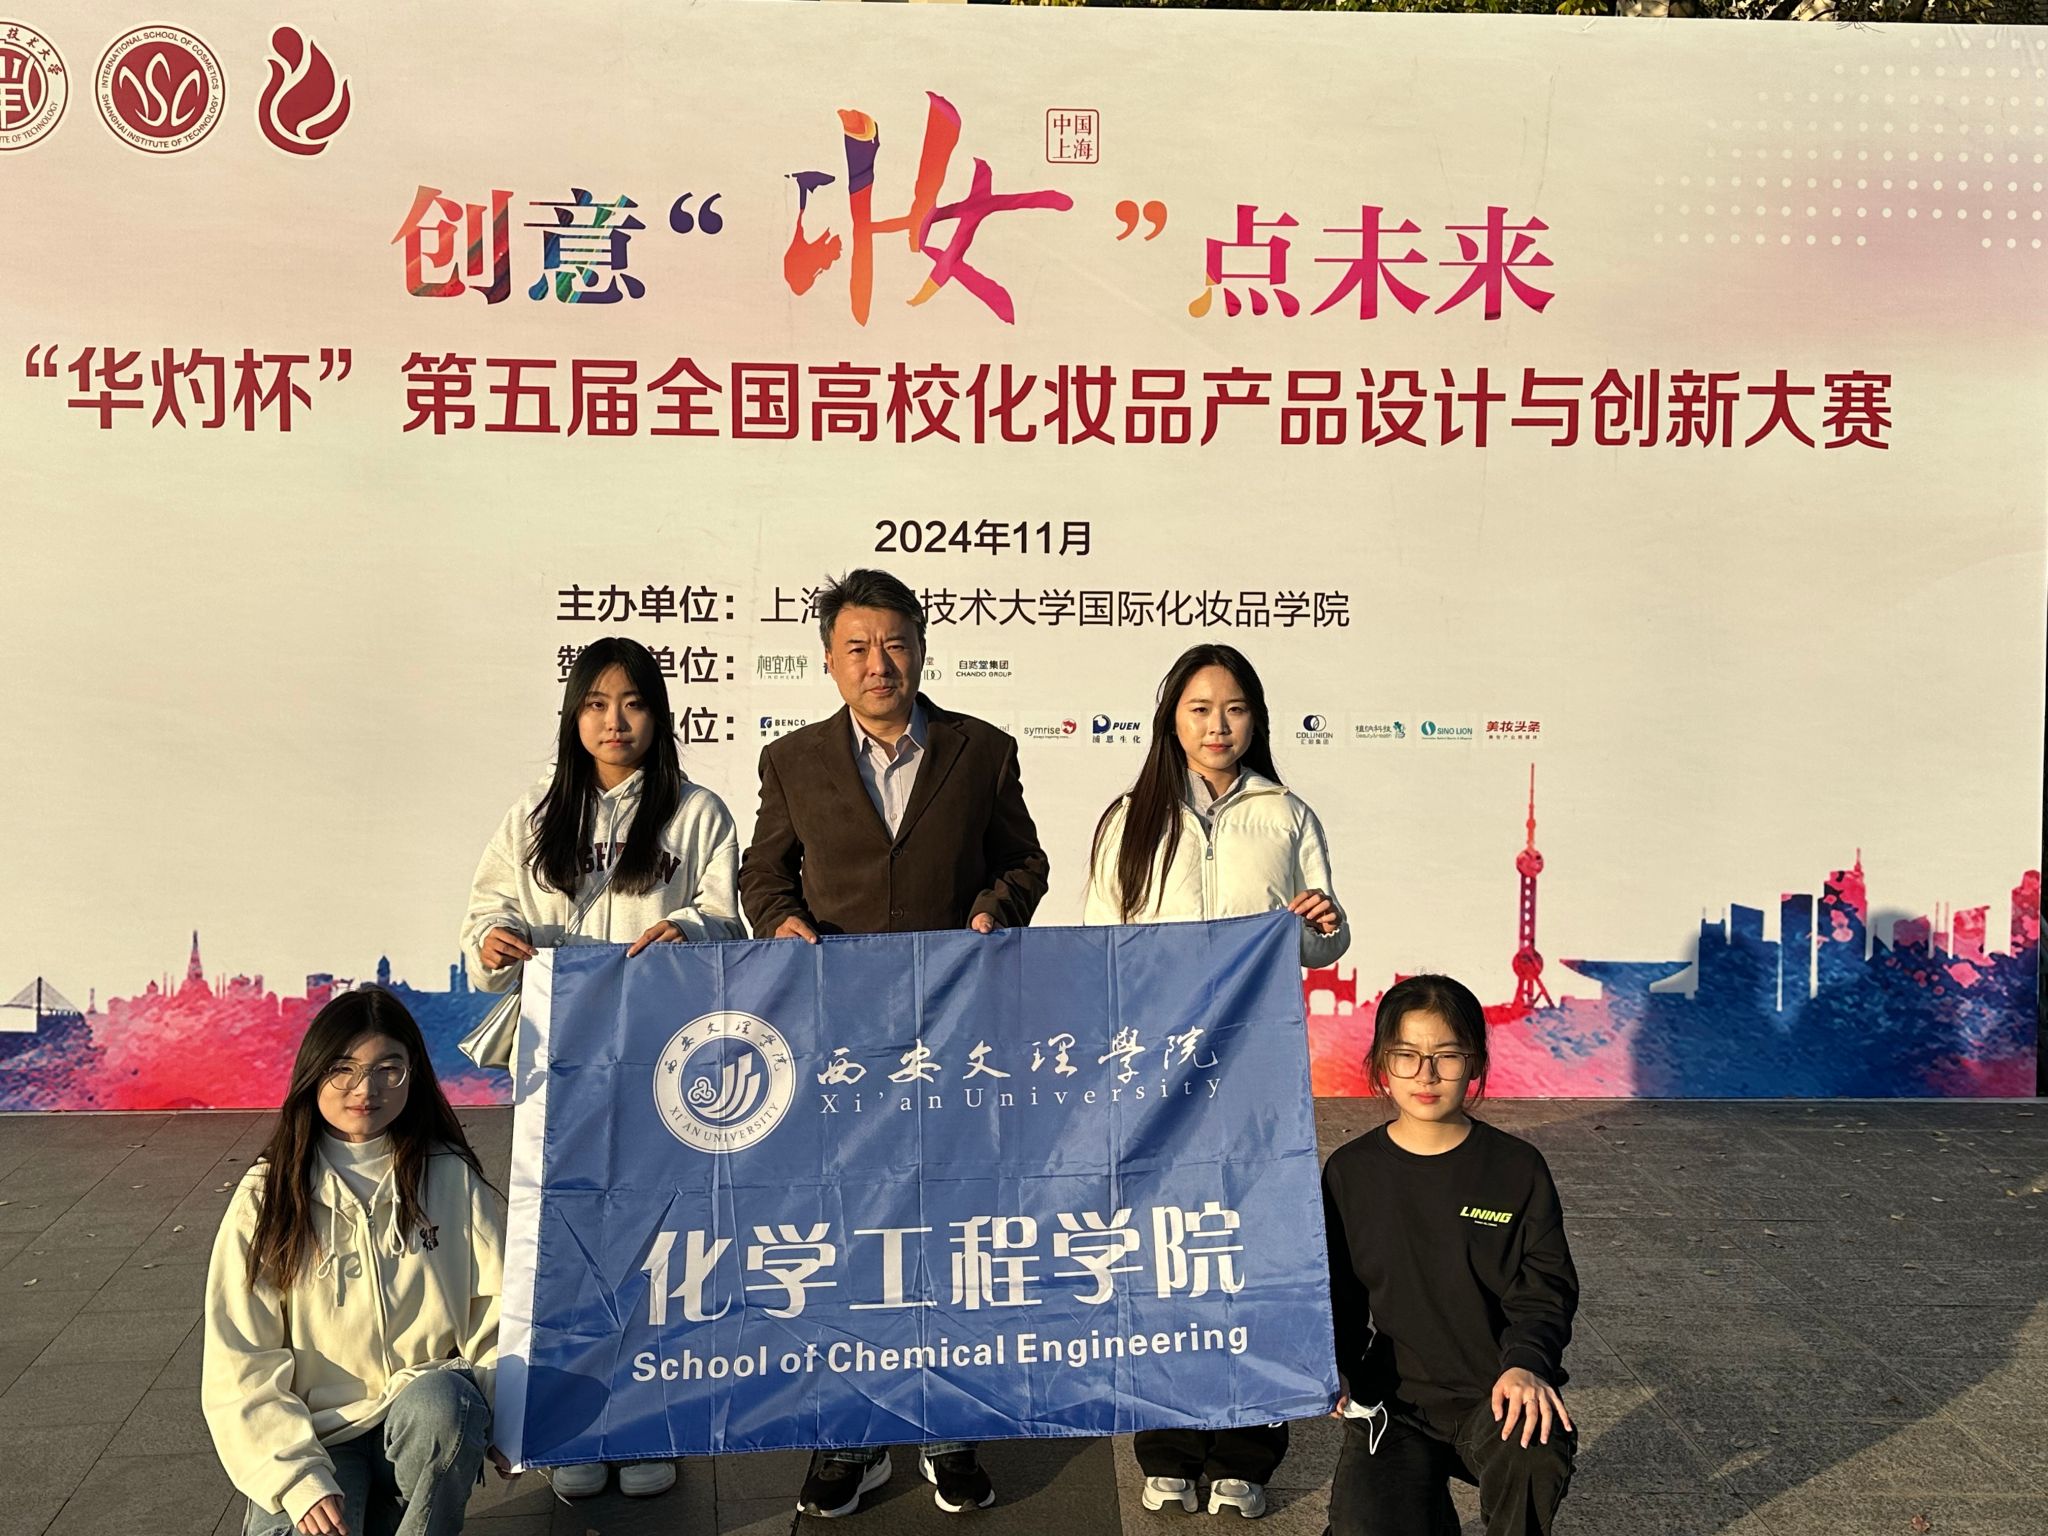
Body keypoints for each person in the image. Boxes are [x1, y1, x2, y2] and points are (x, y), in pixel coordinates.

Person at [739, 567, 1049, 1517]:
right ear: (830, 663)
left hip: (956, 1036)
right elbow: (763, 873)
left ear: (921, 648)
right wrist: (782, 922)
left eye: (895, 644)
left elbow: (1024, 860)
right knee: (848, 1233)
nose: (879, 664)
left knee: (951, 1229)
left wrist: (995, 911)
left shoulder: (981, 751)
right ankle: (853, 1435)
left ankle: (948, 1425)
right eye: (858, 648)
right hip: (840, 1042)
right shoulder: (792, 760)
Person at [460, 634, 742, 1497]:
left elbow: (727, 918)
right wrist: (494, 940)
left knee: (659, 1236)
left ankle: (649, 1417)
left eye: (632, 703)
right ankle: (577, 1427)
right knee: (565, 1236)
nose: (614, 721)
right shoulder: (535, 814)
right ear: (572, 716)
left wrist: (688, 929)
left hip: (662, 1055)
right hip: (562, 1053)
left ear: (658, 715)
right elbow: (486, 912)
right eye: (595, 703)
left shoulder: (696, 813)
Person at [1082, 642, 1349, 1520]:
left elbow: (1322, 943)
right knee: (1161, 1249)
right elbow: (1099, 946)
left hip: (1253, 1071)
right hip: (1156, 1077)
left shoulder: (1286, 815)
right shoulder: (1131, 819)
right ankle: (1166, 1444)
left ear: (1256, 720)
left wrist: (1322, 926)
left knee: (1251, 1249)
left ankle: (1246, 1449)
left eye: (1234, 709)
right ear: (1172, 720)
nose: (1217, 726)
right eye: (1199, 709)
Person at [202, 988, 509, 1536]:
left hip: (418, 1420)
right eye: (343, 1069)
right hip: (318, 1437)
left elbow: (501, 1312)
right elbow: (239, 1358)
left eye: (389, 1069)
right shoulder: (268, 1195)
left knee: (443, 1405)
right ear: (313, 1073)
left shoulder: (448, 1175)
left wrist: (512, 1419)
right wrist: (295, 1477)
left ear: (413, 1074)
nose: (366, 1090)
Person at [1322, 975, 1579, 1536]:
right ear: (1381, 1064)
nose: (1427, 1075)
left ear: (1476, 1061)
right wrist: (1333, 1363)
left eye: (1447, 1055)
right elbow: (1337, 1292)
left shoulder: (1516, 1168)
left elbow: (1545, 1288)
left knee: (1536, 1446)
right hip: (1394, 1404)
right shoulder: (1351, 1172)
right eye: (1407, 1055)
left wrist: (1527, 1364)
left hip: (1495, 1393)